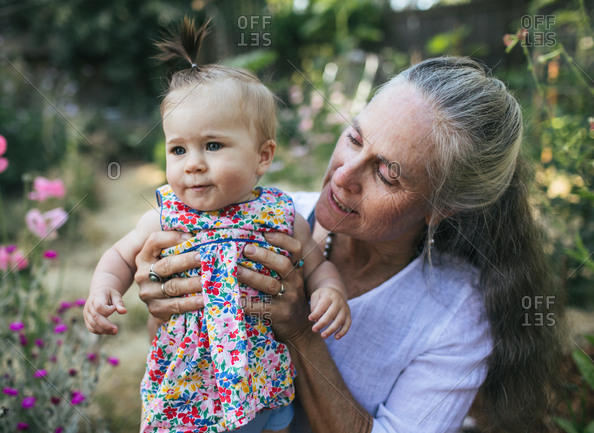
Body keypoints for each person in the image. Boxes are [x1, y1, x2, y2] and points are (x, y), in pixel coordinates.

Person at [134, 56, 565, 433]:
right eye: (354, 139)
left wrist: (301, 330)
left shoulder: (456, 315)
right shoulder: (267, 219)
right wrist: (166, 296)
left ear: (441, 207)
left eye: (387, 174)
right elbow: (182, 356)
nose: (342, 176)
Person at [83, 17, 351, 433]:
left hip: (258, 378)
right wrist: (103, 289)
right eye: (178, 149)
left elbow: (317, 264)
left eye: (212, 145)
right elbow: (119, 255)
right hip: (186, 386)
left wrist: (330, 291)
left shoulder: (280, 216)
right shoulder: (165, 214)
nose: (193, 163)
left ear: (263, 156)